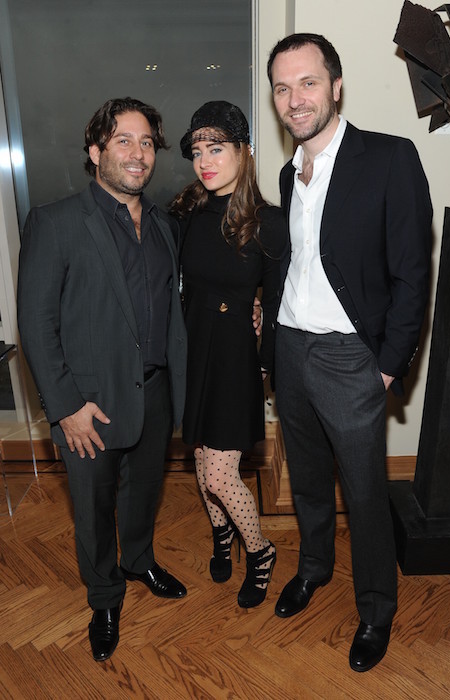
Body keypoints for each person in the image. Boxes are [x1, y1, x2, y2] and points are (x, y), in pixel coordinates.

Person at [267, 34, 432, 671]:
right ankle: (313, 568)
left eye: (307, 82)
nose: (295, 99)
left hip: (351, 360)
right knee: (308, 481)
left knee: (364, 495)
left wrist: (387, 366)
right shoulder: (289, 174)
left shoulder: (389, 158)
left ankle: (376, 609)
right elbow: (300, 263)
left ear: (336, 87)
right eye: (282, 88)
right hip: (291, 348)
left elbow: (413, 274)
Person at [17, 97, 188, 662]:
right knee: (92, 509)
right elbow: (36, 324)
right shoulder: (55, 222)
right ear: (95, 151)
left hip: (155, 392)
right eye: (123, 141)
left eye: (146, 143)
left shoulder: (164, 225)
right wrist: (66, 406)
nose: (138, 154)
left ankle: (138, 561)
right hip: (88, 404)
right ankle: (105, 596)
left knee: (144, 493)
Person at [170, 101, 288, 608]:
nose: (204, 161)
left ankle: (259, 550)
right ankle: (222, 535)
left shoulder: (269, 222)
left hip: (237, 357)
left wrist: (265, 361)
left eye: (215, 148)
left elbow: (277, 303)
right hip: (193, 349)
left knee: (221, 473)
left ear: (244, 150)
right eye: (197, 151)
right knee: (201, 460)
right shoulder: (186, 214)